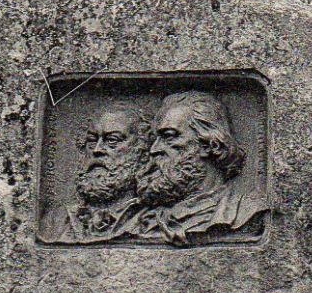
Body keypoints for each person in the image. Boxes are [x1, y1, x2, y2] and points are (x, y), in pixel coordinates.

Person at [130, 90, 269, 245]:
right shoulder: (142, 220)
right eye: (156, 139)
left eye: (169, 136)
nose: (154, 149)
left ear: (210, 145)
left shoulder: (245, 212)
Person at [40, 101, 152, 242]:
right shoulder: (56, 221)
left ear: (142, 151)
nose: (97, 150)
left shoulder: (153, 221)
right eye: (92, 141)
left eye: (112, 140)